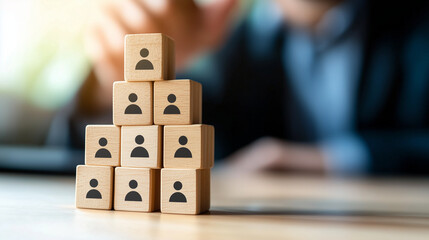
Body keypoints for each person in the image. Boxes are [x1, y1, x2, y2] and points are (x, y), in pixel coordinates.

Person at [72, 0, 429, 175]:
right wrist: (117, 81)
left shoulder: (415, 26)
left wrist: (330, 161)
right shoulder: (233, 43)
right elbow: (171, 145)